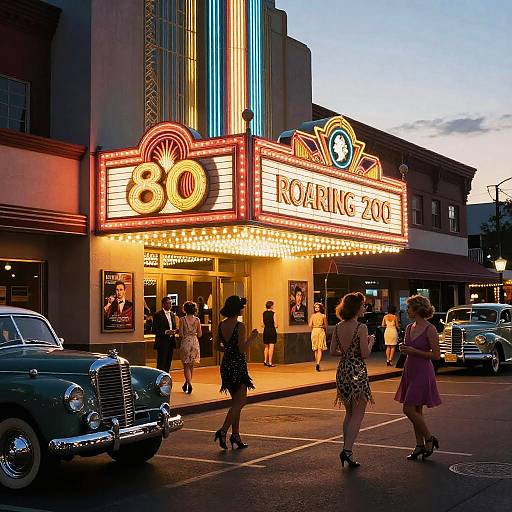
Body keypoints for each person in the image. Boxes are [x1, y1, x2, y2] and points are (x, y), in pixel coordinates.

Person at [330, 292, 375, 468]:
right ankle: (347, 451)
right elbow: (365, 354)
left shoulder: (339, 326)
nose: (364, 308)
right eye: (363, 306)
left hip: (342, 370)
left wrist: (346, 353)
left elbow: (333, 351)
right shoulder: (361, 328)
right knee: (358, 414)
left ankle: (346, 448)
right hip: (357, 370)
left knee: (349, 413)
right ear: (356, 308)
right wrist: (371, 342)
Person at [395, 295, 441, 460]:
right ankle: (419, 445)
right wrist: (404, 348)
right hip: (410, 369)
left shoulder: (430, 329)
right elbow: (409, 348)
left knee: (408, 408)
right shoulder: (409, 327)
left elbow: (436, 355)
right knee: (416, 410)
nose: (406, 310)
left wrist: (414, 351)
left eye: (409, 307)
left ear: (418, 309)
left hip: (423, 371)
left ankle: (429, 438)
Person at [214, 296, 258, 450]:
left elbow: (216, 346)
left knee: (236, 403)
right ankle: (223, 431)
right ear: (237, 308)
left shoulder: (221, 325)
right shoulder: (240, 326)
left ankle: (236, 435)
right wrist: (252, 338)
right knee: (240, 402)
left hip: (226, 364)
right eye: (241, 307)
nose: (242, 309)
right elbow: (241, 348)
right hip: (238, 365)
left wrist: (227, 350)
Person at [179, 301, 202, 394]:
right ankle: (187, 383)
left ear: (185, 309)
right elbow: (200, 334)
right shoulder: (197, 320)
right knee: (191, 365)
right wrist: (194, 333)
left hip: (186, 342)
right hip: (194, 342)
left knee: (186, 365)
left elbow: (180, 334)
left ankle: (189, 383)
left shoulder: (182, 319)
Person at [152, 296, 178, 373]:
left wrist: (174, 331)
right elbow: (154, 330)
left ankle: (167, 377)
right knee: (161, 362)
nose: (170, 305)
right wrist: (166, 332)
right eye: (168, 303)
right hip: (162, 342)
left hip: (171, 341)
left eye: (171, 303)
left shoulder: (172, 315)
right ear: (163, 304)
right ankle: (159, 379)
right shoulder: (158, 315)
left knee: (168, 361)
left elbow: (173, 326)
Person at [309, 302, 327, 371]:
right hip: (321, 331)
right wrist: (320, 325)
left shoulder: (312, 316)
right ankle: (318, 363)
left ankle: (317, 363)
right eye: (316, 307)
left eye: (317, 307)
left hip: (314, 331)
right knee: (320, 348)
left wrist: (315, 325)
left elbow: (310, 325)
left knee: (315, 349)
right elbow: (325, 325)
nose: (316, 308)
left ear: (319, 308)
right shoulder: (323, 316)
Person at [261, 300, 278, 367]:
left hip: (266, 331)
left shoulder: (263, 314)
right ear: (271, 306)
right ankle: (270, 362)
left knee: (266, 346)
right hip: (272, 331)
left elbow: (262, 324)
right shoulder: (274, 314)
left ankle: (265, 361)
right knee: (271, 347)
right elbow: (276, 325)